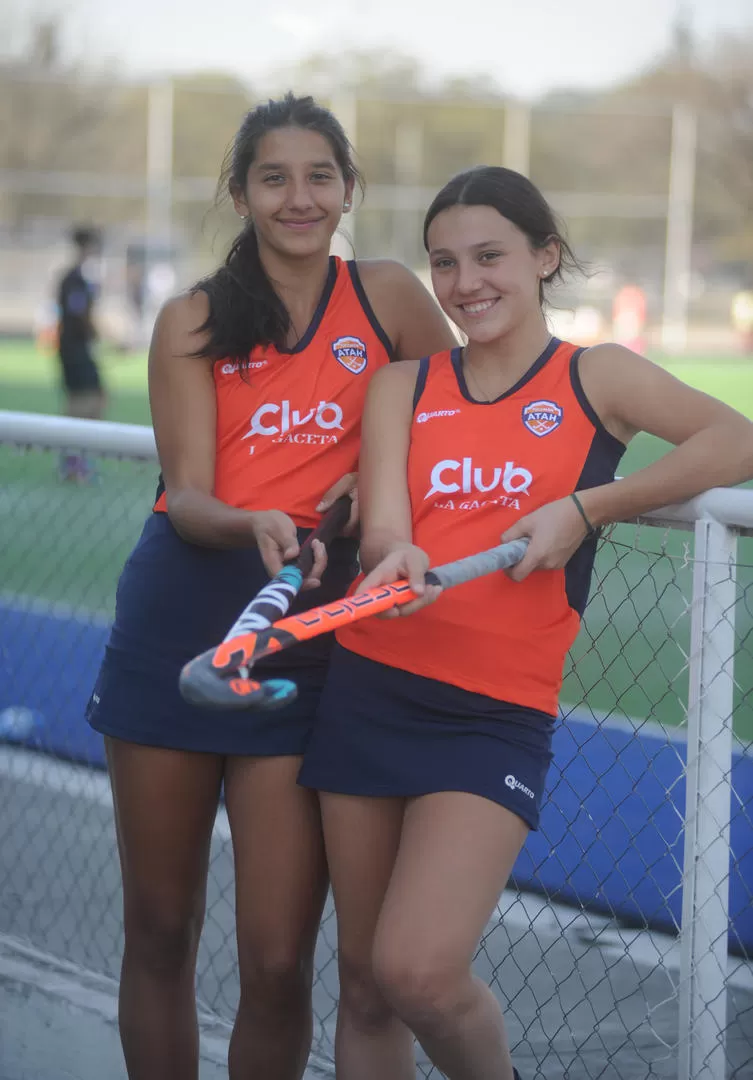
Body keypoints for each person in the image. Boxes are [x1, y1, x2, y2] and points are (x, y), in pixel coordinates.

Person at [298, 165, 753, 1080]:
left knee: (417, 968)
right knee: (363, 983)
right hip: (369, 684)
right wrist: (394, 555)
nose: (466, 283)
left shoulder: (596, 376)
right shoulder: (400, 385)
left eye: (489, 256)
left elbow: (735, 438)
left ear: (544, 257)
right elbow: (386, 524)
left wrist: (591, 507)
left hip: (490, 714)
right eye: (444, 263)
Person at [85, 93, 456, 1080]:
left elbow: (458, 422)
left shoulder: (388, 298)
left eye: (319, 176)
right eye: (274, 177)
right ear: (241, 193)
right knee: (160, 929)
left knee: (279, 959)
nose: (299, 197)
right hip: (181, 629)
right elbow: (189, 494)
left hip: (313, 640)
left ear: (348, 189)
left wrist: (382, 473)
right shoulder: (195, 316)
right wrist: (257, 520)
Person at [56, 224, 106, 480]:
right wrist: (101, 335)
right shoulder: (73, 279)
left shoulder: (83, 278)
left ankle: (77, 457)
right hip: (73, 349)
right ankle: (72, 461)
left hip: (80, 347)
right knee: (82, 400)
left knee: (96, 397)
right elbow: (79, 316)